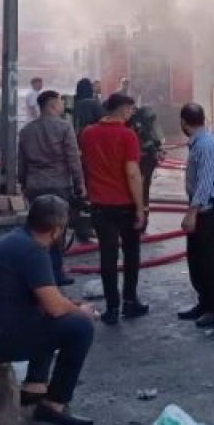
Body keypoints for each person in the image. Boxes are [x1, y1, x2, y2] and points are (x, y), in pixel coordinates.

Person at [0, 195, 98, 425]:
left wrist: (70, 305)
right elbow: (54, 307)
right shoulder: (33, 251)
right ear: (56, 230)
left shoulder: (18, 240)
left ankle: (35, 385)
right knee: (80, 327)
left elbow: (46, 298)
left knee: (47, 315)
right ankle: (54, 406)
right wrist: (80, 310)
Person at [79, 93, 148, 325]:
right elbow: (132, 173)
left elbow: (86, 164)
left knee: (107, 257)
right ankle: (130, 302)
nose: (132, 113)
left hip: (99, 205)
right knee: (131, 254)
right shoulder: (128, 136)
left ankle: (112, 308)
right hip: (125, 205)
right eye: (130, 109)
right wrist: (140, 208)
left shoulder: (88, 133)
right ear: (121, 109)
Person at [19, 91, 84, 286]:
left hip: (35, 186)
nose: (63, 107)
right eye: (60, 103)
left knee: (38, 230)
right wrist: (80, 184)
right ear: (53, 105)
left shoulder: (27, 130)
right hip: (59, 185)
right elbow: (73, 158)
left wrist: (23, 184)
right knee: (57, 232)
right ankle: (56, 274)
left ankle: (36, 272)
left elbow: (21, 163)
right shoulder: (64, 127)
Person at [177, 102, 214, 328]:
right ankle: (204, 302)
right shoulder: (198, 143)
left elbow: (205, 183)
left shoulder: (205, 145)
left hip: (207, 207)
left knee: (208, 259)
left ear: (183, 123)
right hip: (202, 205)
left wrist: (192, 212)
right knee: (196, 257)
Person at [127, 99, 164, 200]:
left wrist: (159, 148)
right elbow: (147, 139)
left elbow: (155, 137)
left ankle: (144, 202)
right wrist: (155, 151)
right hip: (142, 156)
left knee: (146, 180)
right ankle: (141, 201)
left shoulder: (146, 123)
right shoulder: (138, 124)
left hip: (147, 157)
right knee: (143, 180)